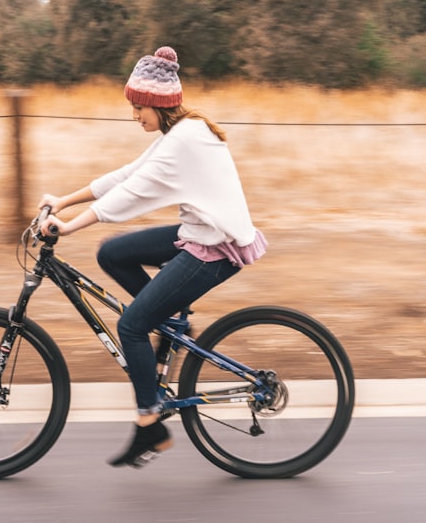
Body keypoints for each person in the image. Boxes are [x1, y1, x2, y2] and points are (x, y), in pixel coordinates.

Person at [37, 46, 267, 469]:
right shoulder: (178, 133)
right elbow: (127, 175)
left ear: (159, 104)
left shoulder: (184, 140)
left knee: (131, 325)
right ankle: (166, 318)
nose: (134, 115)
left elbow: (131, 194)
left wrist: (69, 226)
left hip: (213, 248)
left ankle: (150, 425)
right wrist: (63, 200)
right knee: (113, 253)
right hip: (199, 231)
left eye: (138, 107)